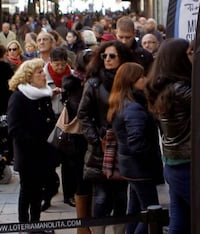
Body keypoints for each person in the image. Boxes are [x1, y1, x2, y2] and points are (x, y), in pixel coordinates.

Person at [77, 40, 135, 234]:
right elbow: (83, 114)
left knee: (120, 196)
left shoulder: (129, 81)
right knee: (101, 196)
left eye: (112, 56)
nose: (107, 60)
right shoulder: (94, 83)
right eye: (104, 56)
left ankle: (119, 231)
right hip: (102, 146)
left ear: (122, 58)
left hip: (124, 145)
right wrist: (94, 139)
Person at [106, 62, 164, 234]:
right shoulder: (133, 108)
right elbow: (137, 142)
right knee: (151, 214)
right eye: (141, 77)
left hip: (131, 167)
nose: (144, 80)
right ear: (131, 81)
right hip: (140, 168)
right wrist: (152, 159)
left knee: (136, 211)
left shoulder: (123, 103)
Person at [145, 38, 193, 234]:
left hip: (174, 163)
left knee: (179, 222)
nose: (193, 56)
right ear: (179, 58)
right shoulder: (181, 89)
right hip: (187, 165)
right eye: (190, 52)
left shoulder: (163, 88)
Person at [7, 58, 57, 228]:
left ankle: (35, 225)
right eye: (40, 72)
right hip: (28, 155)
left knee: (39, 192)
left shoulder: (44, 94)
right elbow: (14, 129)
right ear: (29, 77)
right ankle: (23, 225)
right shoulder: (19, 97)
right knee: (27, 191)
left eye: (43, 71)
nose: (44, 75)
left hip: (44, 153)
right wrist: (35, 141)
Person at [62, 48, 94, 234]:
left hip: (90, 139)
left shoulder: (96, 81)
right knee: (82, 181)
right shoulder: (75, 84)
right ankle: (83, 227)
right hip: (78, 140)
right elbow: (81, 112)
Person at [41, 47, 73, 211]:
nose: (60, 68)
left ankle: (69, 194)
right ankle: (47, 196)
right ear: (50, 63)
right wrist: (49, 93)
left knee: (68, 160)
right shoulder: (42, 76)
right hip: (50, 120)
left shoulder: (72, 74)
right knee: (49, 161)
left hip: (67, 121)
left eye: (62, 65)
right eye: (57, 65)